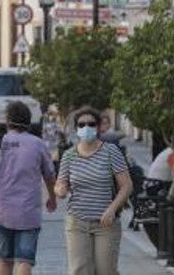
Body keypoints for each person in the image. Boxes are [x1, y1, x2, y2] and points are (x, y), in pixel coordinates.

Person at [0, 101, 58, 275]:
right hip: (28, 213)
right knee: (24, 261)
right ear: (28, 121)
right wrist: (52, 197)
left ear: (7, 120)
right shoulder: (38, 144)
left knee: (4, 261)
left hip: (1, 211)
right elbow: (50, 176)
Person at [56, 107, 133, 275]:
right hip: (77, 221)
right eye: (82, 124)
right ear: (76, 129)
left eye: (91, 124)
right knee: (79, 270)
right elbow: (60, 183)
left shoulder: (110, 151)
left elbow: (126, 185)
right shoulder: (69, 155)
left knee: (105, 270)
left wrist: (112, 209)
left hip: (105, 223)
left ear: (98, 127)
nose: (86, 127)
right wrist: (60, 190)